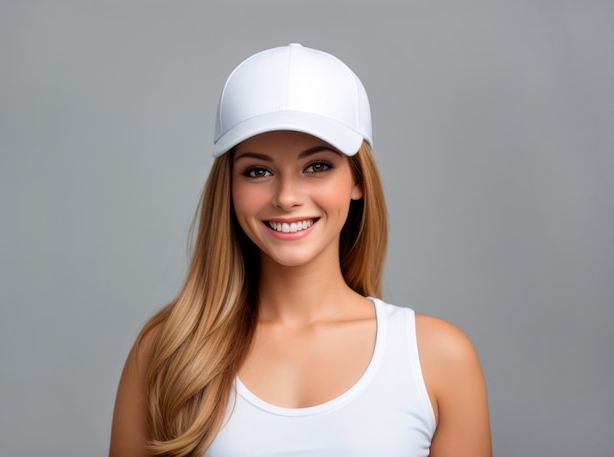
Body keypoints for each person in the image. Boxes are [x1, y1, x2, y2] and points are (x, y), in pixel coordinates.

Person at [109, 43, 492, 457]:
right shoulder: (167, 353)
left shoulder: (437, 359)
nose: (287, 197)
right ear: (230, 188)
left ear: (358, 180)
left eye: (317, 166)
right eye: (258, 171)